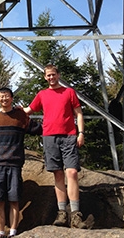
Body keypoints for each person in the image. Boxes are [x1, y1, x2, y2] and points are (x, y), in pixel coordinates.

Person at [23, 65, 93, 229]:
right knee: (58, 174)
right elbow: (28, 110)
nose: (51, 77)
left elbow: (79, 113)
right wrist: (7, 111)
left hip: (68, 136)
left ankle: (75, 214)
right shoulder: (42, 94)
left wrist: (81, 133)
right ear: (45, 77)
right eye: (48, 75)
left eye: (53, 74)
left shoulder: (69, 92)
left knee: (72, 172)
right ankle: (62, 212)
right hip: (49, 137)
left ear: (58, 75)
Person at [0, 87, 42, 238]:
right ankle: (0, 233)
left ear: (12, 98)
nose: (4, 99)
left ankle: (13, 232)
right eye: (1, 97)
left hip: (15, 163)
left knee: (14, 199)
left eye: (7, 96)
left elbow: (37, 129)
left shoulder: (21, 116)